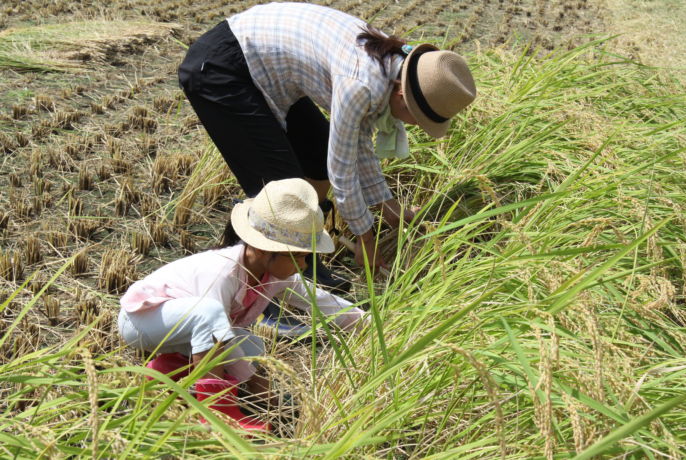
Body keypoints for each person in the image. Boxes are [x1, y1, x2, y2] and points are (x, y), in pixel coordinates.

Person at [178, 2, 476, 277]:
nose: (412, 124)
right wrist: (366, 239)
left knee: (318, 158)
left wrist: (389, 208)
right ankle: (272, 281)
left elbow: (356, 146)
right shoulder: (361, 84)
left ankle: (303, 241)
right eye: (416, 118)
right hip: (221, 69)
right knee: (283, 190)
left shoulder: (394, 64)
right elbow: (343, 171)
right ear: (402, 94)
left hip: (269, 72)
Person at [117, 179, 366, 431]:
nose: (303, 265)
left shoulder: (275, 277)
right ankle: (217, 412)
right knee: (213, 317)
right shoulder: (223, 273)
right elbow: (215, 330)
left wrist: (363, 322)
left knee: (250, 343)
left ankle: (168, 370)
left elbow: (317, 299)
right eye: (298, 256)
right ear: (262, 249)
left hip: (179, 330)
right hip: (142, 322)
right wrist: (257, 383)